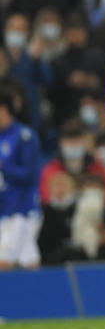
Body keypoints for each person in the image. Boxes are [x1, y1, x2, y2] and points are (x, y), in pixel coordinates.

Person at [0, 88, 42, 269]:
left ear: (4, 109)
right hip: (4, 210)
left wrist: (4, 166)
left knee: (4, 262)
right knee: (29, 261)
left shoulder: (24, 136)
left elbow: (30, 175)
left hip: (21, 211)